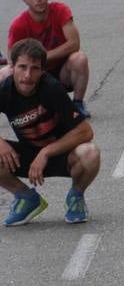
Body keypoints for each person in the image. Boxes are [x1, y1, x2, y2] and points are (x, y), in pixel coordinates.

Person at [0, 39, 101, 227]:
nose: (27, 75)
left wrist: (46, 152)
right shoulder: (4, 90)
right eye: (22, 67)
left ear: (43, 71)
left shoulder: (51, 88)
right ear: (12, 67)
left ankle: (76, 196)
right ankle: (26, 198)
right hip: (27, 155)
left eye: (35, 69)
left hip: (61, 155)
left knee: (90, 153)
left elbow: (85, 131)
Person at [4, 0, 91, 119]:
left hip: (62, 71)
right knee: (5, 74)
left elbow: (74, 43)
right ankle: (20, 112)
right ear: (24, 0)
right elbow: (12, 60)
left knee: (79, 58)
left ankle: (77, 104)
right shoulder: (18, 25)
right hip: (34, 75)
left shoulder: (60, 10)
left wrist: (43, 56)